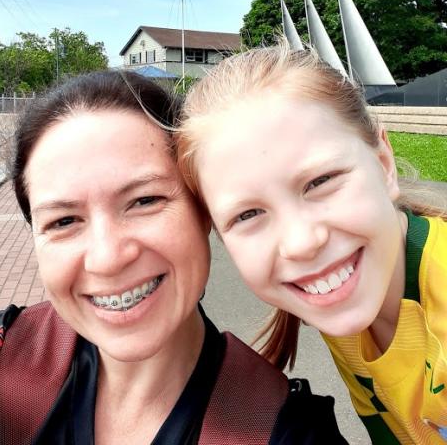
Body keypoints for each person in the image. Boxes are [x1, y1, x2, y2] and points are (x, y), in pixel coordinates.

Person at [0, 69, 346, 444]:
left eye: (145, 200)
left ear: (203, 212)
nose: (108, 258)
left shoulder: (287, 431)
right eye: (64, 221)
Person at [176, 41, 447, 444]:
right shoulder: (348, 302)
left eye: (320, 181)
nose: (301, 243)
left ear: (384, 165)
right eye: (247, 214)